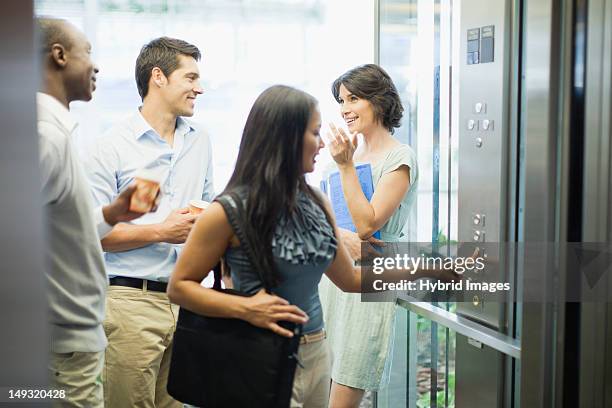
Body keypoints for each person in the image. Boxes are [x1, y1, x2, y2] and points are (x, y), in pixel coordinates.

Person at [167, 85, 368, 408]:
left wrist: (428, 270)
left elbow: (352, 280)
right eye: (314, 133)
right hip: (259, 354)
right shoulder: (226, 211)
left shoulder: (318, 203)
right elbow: (179, 287)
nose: (321, 144)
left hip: (316, 352)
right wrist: (246, 308)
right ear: (285, 137)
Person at [84, 37, 214, 407]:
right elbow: (93, 234)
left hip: (184, 302)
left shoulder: (200, 141)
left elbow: (207, 208)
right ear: (158, 77)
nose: (198, 88)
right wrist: (162, 231)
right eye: (190, 78)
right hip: (129, 304)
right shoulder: (110, 147)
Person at [36, 17, 145, 407]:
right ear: (59, 56)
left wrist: (112, 214)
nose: (96, 66)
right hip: (60, 348)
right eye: (88, 52)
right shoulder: (43, 135)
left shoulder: (53, 131)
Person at [318, 64, 419, 408]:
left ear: (379, 101)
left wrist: (345, 166)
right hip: (333, 279)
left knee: (346, 390)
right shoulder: (342, 158)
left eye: (354, 98)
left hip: (370, 280)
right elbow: (325, 220)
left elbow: (367, 225)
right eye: (341, 101)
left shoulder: (399, 158)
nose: (344, 109)